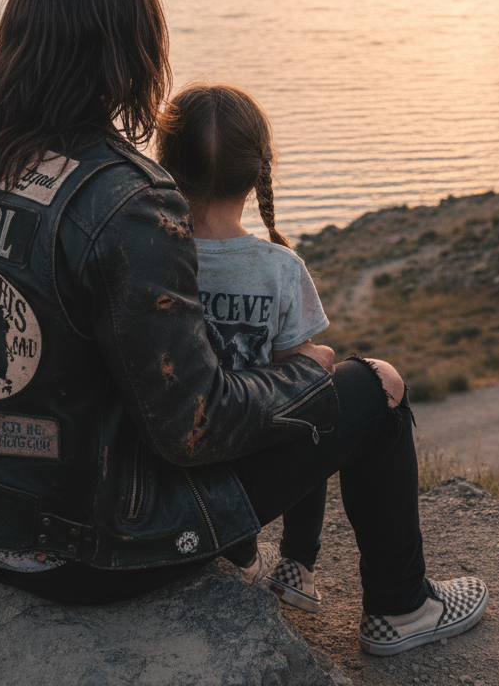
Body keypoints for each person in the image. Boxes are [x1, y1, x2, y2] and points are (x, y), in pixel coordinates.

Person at [0, 0, 488, 656]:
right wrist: (317, 372)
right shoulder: (123, 200)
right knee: (373, 389)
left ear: (15, 34)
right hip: (95, 554)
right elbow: (195, 424)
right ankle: (403, 607)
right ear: (132, 50)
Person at [156, 82, 331, 613]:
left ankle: (239, 556)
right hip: (254, 463)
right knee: (315, 408)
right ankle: (297, 565)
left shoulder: (153, 258)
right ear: (259, 172)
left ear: (166, 168)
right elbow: (290, 377)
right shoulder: (280, 268)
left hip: (172, 455)